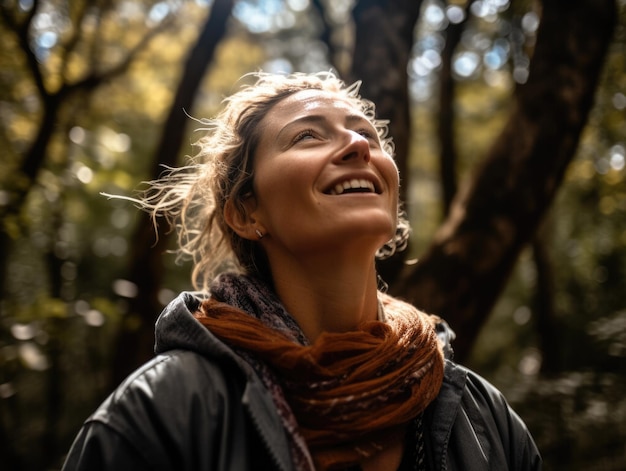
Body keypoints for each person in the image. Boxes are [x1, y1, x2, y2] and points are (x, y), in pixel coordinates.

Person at [62, 71, 541, 471]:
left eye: (367, 134)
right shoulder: (163, 411)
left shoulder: (483, 418)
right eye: (307, 135)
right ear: (247, 213)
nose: (357, 145)